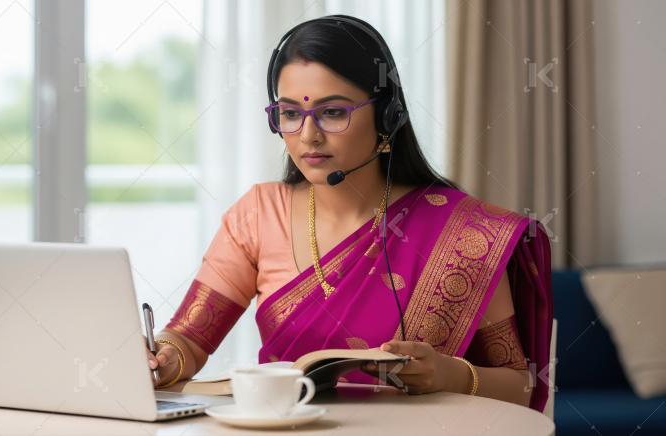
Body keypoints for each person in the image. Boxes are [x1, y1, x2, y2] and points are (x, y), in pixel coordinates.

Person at [145, 15, 553, 412]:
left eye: (333, 112)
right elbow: (188, 340)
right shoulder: (258, 214)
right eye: (290, 113)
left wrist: (450, 375)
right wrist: (161, 360)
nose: (308, 136)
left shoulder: (465, 232)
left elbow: (521, 383)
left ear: (387, 117)